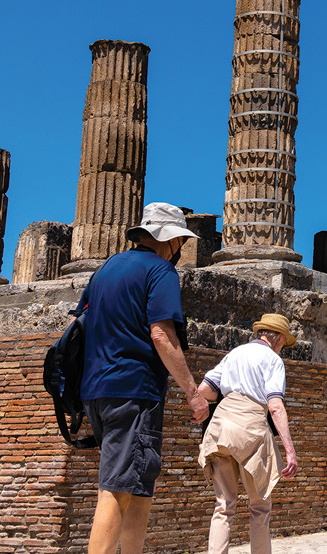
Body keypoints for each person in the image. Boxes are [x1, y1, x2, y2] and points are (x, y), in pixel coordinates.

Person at [77, 201, 208, 554]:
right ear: (171, 241)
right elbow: (162, 336)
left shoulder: (105, 269)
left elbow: (82, 325)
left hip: (95, 391)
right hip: (133, 391)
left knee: (137, 484)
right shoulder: (161, 271)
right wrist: (194, 393)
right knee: (117, 488)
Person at [197, 314, 300, 554]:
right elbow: (275, 406)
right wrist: (290, 450)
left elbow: (205, 389)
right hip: (251, 431)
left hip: (221, 428)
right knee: (259, 507)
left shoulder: (235, 353)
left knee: (223, 506)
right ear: (280, 338)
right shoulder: (273, 360)